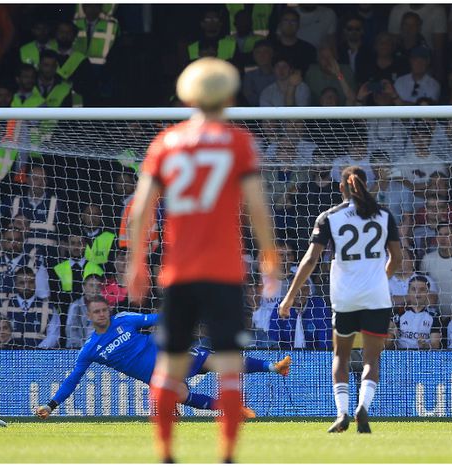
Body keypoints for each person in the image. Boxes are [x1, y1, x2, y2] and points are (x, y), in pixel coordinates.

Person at [125, 57, 280, 462]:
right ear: (229, 96)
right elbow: (257, 207)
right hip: (225, 271)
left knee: (170, 365)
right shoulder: (237, 142)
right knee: (229, 364)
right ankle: (227, 454)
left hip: (178, 272)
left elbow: (141, 209)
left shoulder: (166, 142)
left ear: (186, 95)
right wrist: (269, 254)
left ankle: (165, 453)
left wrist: (136, 263)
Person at [279, 165, 402, 434]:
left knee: (341, 356)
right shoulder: (384, 215)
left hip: (345, 297)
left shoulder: (329, 217)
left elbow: (311, 259)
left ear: (341, 188)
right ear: (366, 185)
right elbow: (397, 258)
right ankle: (364, 407)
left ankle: (342, 412)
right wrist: (380, 278)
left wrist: (289, 297)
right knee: (372, 359)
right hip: (376, 296)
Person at [35, 297, 291, 417]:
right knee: (180, 394)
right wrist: (51, 405)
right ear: (89, 316)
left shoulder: (124, 320)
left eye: (104, 310)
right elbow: (73, 379)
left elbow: (156, 319)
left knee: (221, 362)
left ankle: (274, 366)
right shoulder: (90, 349)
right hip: (158, 377)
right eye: (97, 312)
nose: (102, 314)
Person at [387, 275, 443, 350]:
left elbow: (435, 345)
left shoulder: (435, 316)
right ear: (408, 292)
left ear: (427, 292)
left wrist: (425, 345)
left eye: (422, 289)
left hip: (424, 357)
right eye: (413, 289)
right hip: (400, 356)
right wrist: (391, 341)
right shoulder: (398, 313)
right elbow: (388, 343)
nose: (418, 293)